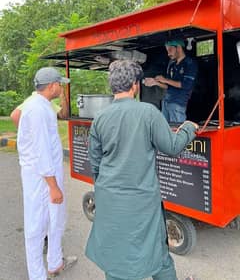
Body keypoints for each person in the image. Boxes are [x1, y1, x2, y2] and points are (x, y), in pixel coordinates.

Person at [85, 59, 199, 280]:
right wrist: (188, 129)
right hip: (142, 201)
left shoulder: (99, 118)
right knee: (158, 254)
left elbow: (96, 164)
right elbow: (172, 147)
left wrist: (105, 191)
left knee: (116, 257)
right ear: (135, 85)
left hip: (110, 199)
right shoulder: (148, 113)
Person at [17, 67, 77, 280]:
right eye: (60, 84)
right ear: (52, 85)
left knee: (55, 220)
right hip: (40, 178)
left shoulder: (43, 105)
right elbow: (41, 150)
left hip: (48, 174)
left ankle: (55, 262)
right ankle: (37, 275)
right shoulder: (37, 109)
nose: (61, 87)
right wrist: (52, 186)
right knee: (36, 227)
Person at [144, 40, 197, 123]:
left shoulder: (189, 63)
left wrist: (165, 80)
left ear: (178, 48)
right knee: (165, 129)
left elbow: (186, 85)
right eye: (167, 51)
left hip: (177, 103)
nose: (168, 53)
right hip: (166, 102)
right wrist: (155, 82)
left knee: (177, 131)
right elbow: (168, 86)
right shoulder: (172, 65)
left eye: (170, 50)